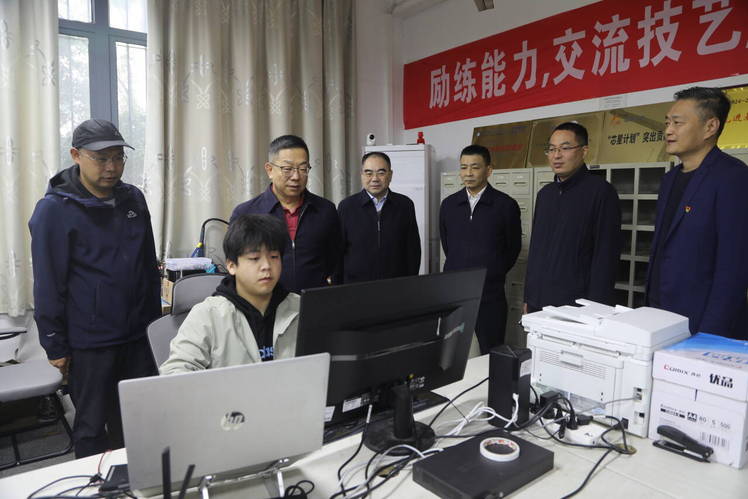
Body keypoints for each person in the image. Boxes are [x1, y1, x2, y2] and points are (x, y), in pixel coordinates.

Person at [28, 119, 161, 458]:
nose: (111, 167)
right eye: (101, 159)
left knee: (136, 421)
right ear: (76, 155)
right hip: (91, 343)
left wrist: (153, 327)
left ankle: (132, 482)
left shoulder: (133, 199)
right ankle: (93, 483)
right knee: (90, 426)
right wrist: (54, 344)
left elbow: (148, 267)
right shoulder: (54, 210)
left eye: (118, 157)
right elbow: (48, 283)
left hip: (137, 337)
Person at [647, 87, 748, 339]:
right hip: (660, 316)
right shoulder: (670, 179)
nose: (668, 130)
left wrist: (710, 335)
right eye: (667, 123)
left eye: (678, 123)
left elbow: (733, 268)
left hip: (702, 323)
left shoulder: (733, 178)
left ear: (710, 126)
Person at [160, 215, 299, 374]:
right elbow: (175, 372)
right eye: (254, 258)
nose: (267, 266)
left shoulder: (301, 308)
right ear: (231, 266)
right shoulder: (208, 315)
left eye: (274, 257)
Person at [524, 122, 621, 313]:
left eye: (565, 148)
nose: (556, 155)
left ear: (584, 151)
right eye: (552, 149)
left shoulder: (601, 192)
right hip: (538, 301)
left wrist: (595, 309)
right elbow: (536, 250)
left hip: (575, 306)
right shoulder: (545, 194)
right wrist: (528, 296)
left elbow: (606, 257)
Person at [230, 135, 341, 293]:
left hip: (314, 302)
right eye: (287, 169)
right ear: (269, 170)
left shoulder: (325, 210)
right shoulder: (246, 213)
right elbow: (237, 266)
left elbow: (334, 259)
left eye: (303, 169)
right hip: (265, 303)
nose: (296, 177)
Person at [439, 145, 522, 353]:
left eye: (475, 167)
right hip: (456, 291)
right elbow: (447, 244)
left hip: (490, 293)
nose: (468, 173)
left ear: (489, 170)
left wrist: (494, 271)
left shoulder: (505, 205)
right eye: (463, 167)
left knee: (491, 349)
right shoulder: (449, 205)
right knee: (453, 351)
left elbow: (512, 248)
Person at [336, 152, 420, 283]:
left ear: (390, 175)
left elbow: (413, 250)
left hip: (395, 286)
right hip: (355, 287)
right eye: (368, 173)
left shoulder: (405, 205)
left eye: (381, 173)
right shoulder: (347, 207)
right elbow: (337, 252)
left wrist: (410, 284)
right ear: (362, 175)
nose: (375, 178)